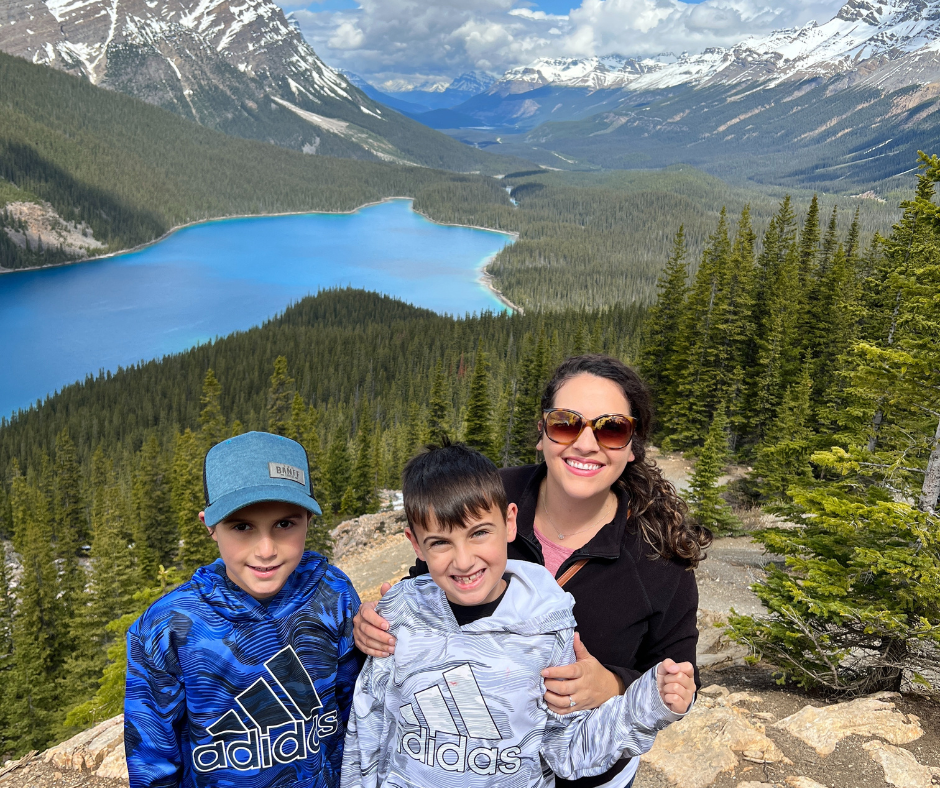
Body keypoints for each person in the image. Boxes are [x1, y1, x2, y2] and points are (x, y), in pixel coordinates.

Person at [354, 354, 711, 788]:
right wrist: (376, 623)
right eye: (566, 423)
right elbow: (428, 581)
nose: (585, 443)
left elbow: (681, 679)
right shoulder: (487, 497)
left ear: (633, 446)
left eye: (611, 428)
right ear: (541, 433)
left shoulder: (660, 554)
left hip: (590, 772)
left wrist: (613, 685)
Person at [124, 431, 361, 788]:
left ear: (308, 520)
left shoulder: (333, 594)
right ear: (210, 526)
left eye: (285, 524)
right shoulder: (167, 627)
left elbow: (353, 715)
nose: (266, 550)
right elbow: (152, 762)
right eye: (242, 526)